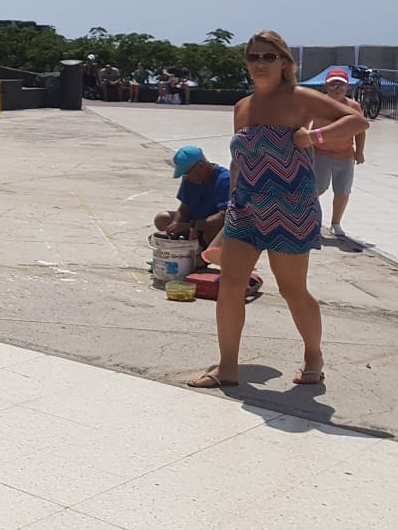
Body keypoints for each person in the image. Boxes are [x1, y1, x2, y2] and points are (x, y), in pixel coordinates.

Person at [188, 31, 368, 390]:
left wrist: (313, 138)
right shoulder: (242, 106)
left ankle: (314, 356)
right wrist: (231, 204)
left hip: (291, 210)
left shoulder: (300, 97)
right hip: (245, 210)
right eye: (253, 56)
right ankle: (227, 367)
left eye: (268, 57)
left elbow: (357, 122)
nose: (259, 63)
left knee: (292, 289)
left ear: (284, 62)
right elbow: (238, 159)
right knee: (230, 285)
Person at [313, 67, 366, 239]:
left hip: (345, 155)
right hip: (320, 153)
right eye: (333, 84)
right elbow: (306, 126)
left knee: (343, 190)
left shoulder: (353, 106)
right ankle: (310, 220)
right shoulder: (318, 103)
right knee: (317, 187)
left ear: (347, 87)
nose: (337, 88)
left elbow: (360, 130)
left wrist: (360, 151)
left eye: (341, 85)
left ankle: (336, 223)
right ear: (326, 86)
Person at [154, 146, 230, 249]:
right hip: (194, 222)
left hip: (211, 225)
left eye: (186, 173)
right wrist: (175, 224)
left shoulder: (224, 180)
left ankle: (202, 251)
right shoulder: (189, 179)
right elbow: (184, 207)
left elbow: (224, 217)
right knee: (161, 219)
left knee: (212, 233)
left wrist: (190, 226)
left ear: (200, 165)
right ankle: (188, 242)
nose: (186, 177)